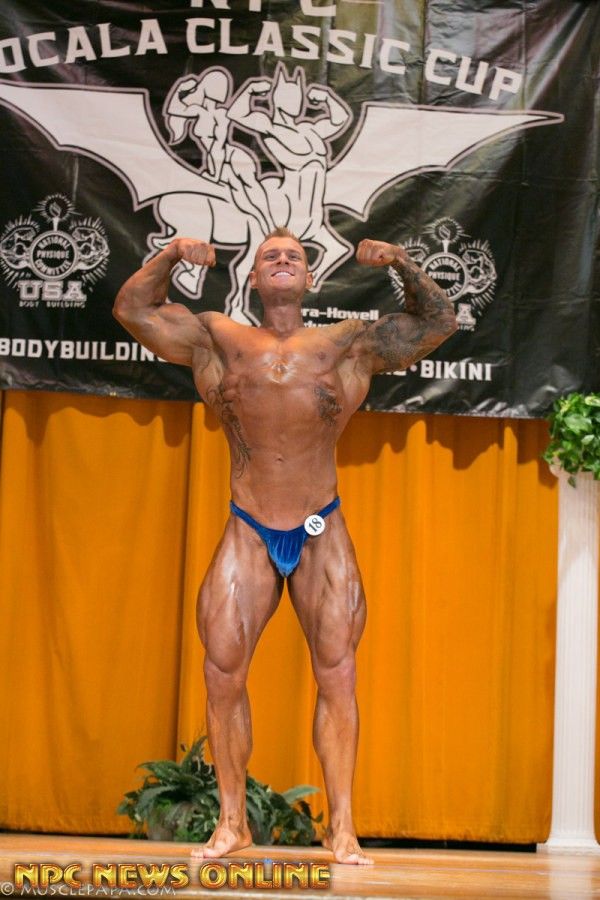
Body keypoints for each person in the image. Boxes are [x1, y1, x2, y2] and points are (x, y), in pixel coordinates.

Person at [113, 227, 457, 865]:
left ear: (308, 278)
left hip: (321, 524)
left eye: (293, 256)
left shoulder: (346, 344)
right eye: (269, 255)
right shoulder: (216, 338)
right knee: (221, 672)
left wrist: (402, 261)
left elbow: (438, 322)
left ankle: (343, 828)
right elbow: (132, 309)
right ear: (252, 277)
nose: (280, 260)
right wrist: (171, 254)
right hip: (248, 522)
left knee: (338, 673)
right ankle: (232, 824)